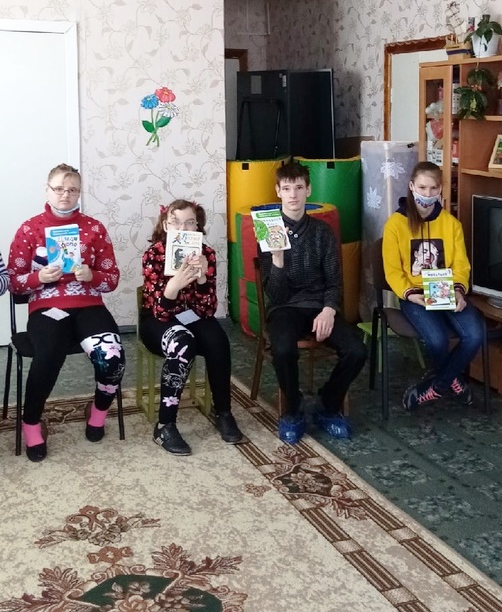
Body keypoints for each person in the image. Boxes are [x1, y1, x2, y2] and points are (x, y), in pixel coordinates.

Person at [7, 164, 125, 462]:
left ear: (79, 193)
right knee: (48, 354)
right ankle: (31, 422)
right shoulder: (29, 229)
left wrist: (92, 276)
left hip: (88, 305)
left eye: (72, 190)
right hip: (47, 307)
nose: (65, 195)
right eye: (59, 188)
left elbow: (111, 280)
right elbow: (13, 282)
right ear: (47, 190)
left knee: (112, 356)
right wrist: (39, 278)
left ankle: (97, 411)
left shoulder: (94, 228)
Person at [257, 161, 367, 445]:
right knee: (283, 348)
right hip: (285, 308)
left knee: (357, 349)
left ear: (308, 190)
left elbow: (334, 282)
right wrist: (278, 259)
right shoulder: (268, 231)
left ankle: (327, 405)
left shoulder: (322, 232)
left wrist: (329, 310)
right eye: (286, 188)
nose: (293, 194)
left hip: (319, 305)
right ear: (278, 192)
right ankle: (293, 410)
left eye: (298, 187)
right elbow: (276, 296)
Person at [141, 199, 243, 456]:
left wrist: (202, 278)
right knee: (182, 343)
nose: (182, 228)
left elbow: (207, 311)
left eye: (189, 223)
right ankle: (164, 425)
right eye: (175, 222)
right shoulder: (154, 255)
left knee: (218, 340)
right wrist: (174, 286)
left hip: (193, 316)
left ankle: (223, 412)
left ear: (198, 227)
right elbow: (160, 313)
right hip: (158, 320)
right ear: (166, 225)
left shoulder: (206, 254)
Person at [382, 161, 484, 410]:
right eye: (422, 187)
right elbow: (392, 270)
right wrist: (409, 294)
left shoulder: (451, 224)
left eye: (433, 188)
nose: (427, 194)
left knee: (475, 334)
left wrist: (458, 291)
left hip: (446, 290)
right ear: (411, 186)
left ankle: (435, 387)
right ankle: (454, 381)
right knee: (437, 340)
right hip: (414, 295)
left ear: (441, 189)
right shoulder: (395, 224)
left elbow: (461, 265)